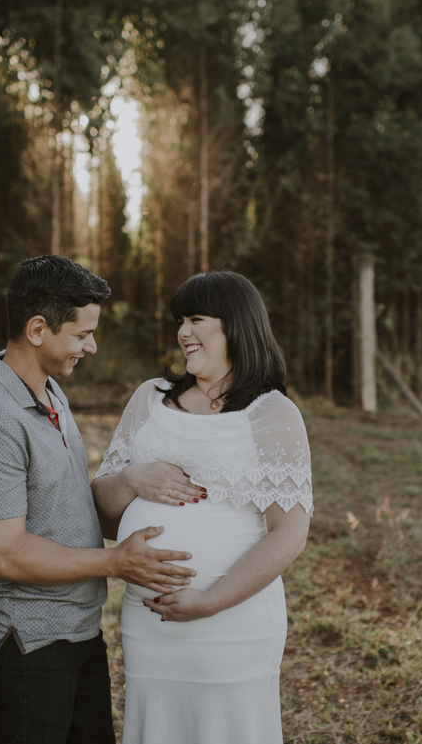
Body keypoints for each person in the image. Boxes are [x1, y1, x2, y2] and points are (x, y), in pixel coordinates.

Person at [0, 255, 197, 744]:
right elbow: (4, 554)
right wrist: (117, 562)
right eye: (82, 334)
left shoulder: (49, 392)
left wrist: (133, 484)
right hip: (30, 642)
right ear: (38, 329)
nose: (93, 345)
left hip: (78, 630)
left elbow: (66, 507)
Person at [92, 270, 313, 744]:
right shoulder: (149, 400)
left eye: (196, 319)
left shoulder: (272, 414)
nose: (182, 332)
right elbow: (103, 513)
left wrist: (209, 601)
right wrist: (133, 478)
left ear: (235, 326)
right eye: (180, 320)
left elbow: (289, 532)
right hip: (152, 624)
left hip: (235, 626)